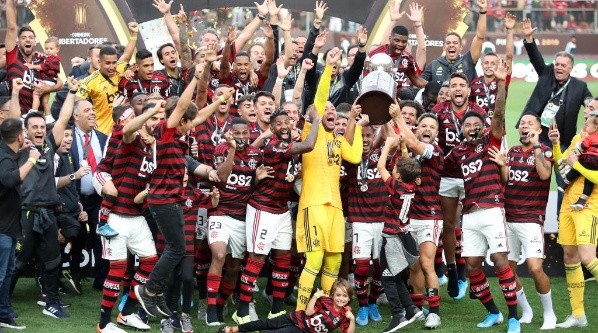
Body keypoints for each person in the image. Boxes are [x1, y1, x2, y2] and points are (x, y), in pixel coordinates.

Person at [135, 65, 234, 319]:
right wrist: (198, 76)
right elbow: (181, 107)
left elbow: (197, 116)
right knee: (177, 249)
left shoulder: (178, 136)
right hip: (163, 200)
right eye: (188, 124)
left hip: (173, 201)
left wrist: (220, 100)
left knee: (175, 249)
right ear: (180, 121)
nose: (192, 129)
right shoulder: (165, 132)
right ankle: (149, 290)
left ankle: (154, 293)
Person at [444, 60, 520, 333]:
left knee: (499, 261)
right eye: (468, 125)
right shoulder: (457, 153)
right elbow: (436, 167)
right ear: (462, 130)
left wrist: (501, 83)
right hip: (469, 214)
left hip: (491, 209)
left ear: (484, 127)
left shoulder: (492, 142)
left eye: (477, 123)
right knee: (474, 267)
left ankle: (513, 318)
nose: (473, 127)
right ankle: (494, 313)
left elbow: (498, 117)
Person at [295, 47, 366, 311]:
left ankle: (324, 308)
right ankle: (302, 312)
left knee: (335, 261)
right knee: (314, 262)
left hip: (335, 207)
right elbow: (321, 98)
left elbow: (355, 157)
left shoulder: (337, 140)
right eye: (327, 110)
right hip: (313, 205)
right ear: (315, 115)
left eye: (335, 109)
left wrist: (356, 126)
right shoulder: (310, 132)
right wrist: (329, 68)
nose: (331, 110)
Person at [235, 108, 320, 322]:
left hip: (281, 209)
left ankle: (277, 309)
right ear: (271, 128)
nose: (283, 126)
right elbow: (309, 145)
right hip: (262, 208)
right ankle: (242, 311)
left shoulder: (289, 146)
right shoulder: (274, 145)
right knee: (257, 258)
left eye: (286, 122)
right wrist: (316, 120)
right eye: (278, 124)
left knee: (283, 258)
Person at [10, 76, 79, 319]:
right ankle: (3, 304)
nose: (40, 130)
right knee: (16, 263)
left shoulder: (50, 145)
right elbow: (12, 120)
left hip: (48, 213)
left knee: (52, 261)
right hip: (26, 213)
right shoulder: (19, 148)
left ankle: (51, 302)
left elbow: (62, 119)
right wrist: (17, 93)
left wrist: (71, 92)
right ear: (25, 132)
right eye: (35, 127)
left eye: (41, 127)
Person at [497, 113, 557, 330]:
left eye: (529, 123)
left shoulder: (545, 151)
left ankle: (550, 314)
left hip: (531, 218)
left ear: (539, 129)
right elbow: (506, 180)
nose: (524, 126)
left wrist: (536, 147)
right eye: (522, 123)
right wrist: (503, 166)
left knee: (534, 268)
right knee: (507, 269)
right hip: (507, 217)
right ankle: (526, 310)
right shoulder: (512, 151)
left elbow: (543, 175)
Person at [391, 108, 444, 329]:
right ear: (417, 128)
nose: (427, 129)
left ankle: (434, 312)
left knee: (426, 263)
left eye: (432, 127)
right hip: (408, 216)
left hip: (429, 216)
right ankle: (417, 308)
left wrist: (397, 118)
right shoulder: (407, 153)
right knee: (413, 267)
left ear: (437, 133)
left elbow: (414, 145)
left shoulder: (435, 151)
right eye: (424, 126)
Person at [548, 97, 598, 328]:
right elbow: (561, 165)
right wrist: (556, 145)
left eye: (592, 109)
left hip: (589, 205)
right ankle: (578, 315)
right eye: (588, 108)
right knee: (570, 256)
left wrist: (576, 164)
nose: (587, 112)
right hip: (568, 203)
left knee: (588, 257)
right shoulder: (580, 137)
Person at [519, 18, 591, 149]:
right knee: (537, 169)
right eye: (557, 64)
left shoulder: (580, 87)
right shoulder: (546, 73)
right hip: (538, 137)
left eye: (563, 65)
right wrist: (529, 38)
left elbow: (591, 103)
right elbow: (535, 57)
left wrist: (591, 108)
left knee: (562, 170)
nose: (559, 68)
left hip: (564, 141)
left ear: (571, 68)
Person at [376, 139, 423, 333]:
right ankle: (411, 309)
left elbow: (380, 166)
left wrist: (387, 145)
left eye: (395, 168)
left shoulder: (396, 186)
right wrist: (403, 148)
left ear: (399, 176)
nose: (392, 169)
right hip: (405, 236)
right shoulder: (412, 184)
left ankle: (398, 315)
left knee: (387, 277)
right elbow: (408, 166)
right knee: (396, 277)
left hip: (392, 238)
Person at [0, 117, 39, 330]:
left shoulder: (9, 153)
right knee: (0, 275)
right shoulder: (4, 157)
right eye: (23, 132)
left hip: (9, 226)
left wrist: (25, 152)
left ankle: (4, 314)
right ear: (18, 136)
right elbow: (10, 179)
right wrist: (31, 159)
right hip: (2, 229)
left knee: (6, 273)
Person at [219, 278, 356, 333]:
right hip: (295, 318)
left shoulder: (346, 314)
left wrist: (352, 320)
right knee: (266, 324)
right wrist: (315, 296)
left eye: (344, 296)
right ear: (332, 295)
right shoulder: (326, 301)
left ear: (349, 298)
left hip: (303, 331)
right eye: (338, 295)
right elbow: (308, 313)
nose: (341, 298)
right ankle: (234, 329)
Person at [76, 23, 139, 135]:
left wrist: (134, 34)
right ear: (99, 62)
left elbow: (127, 55)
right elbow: (76, 102)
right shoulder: (89, 81)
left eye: (114, 62)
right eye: (108, 63)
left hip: (125, 128)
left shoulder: (120, 68)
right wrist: (88, 119)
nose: (112, 67)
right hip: (103, 131)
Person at [4, 0, 63, 114]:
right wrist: (10, 2)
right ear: (18, 42)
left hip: (37, 118)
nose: (27, 39)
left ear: (35, 42)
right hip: (18, 116)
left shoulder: (42, 60)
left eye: (31, 37)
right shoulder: (13, 57)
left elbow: (59, 83)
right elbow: (11, 28)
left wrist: (48, 88)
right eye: (23, 37)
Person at [422, 0, 487, 83]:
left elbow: (480, 37)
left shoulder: (468, 61)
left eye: (455, 43)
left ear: (460, 48)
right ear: (444, 47)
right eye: (448, 43)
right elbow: (420, 84)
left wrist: (483, 11)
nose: (451, 45)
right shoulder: (434, 65)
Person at [368, 1, 427, 94]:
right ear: (390, 39)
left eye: (404, 42)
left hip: (402, 99)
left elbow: (417, 79)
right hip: (380, 95)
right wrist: (393, 21)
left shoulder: (407, 57)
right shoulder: (377, 54)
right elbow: (383, 43)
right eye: (397, 41)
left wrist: (435, 86)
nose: (400, 44)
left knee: (407, 94)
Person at [560, 114, 598, 210]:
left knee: (575, 170)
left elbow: (581, 148)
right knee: (589, 183)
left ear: (595, 128)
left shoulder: (589, 137)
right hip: (596, 165)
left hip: (587, 160)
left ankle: (564, 184)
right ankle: (581, 201)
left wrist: (573, 160)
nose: (585, 125)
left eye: (587, 125)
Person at [24, 36, 61, 118]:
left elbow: (44, 66)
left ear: (57, 49)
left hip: (47, 81)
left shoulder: (54, 60)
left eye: (51, 49)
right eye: (46, 48)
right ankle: (48, 117)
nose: (48, 51)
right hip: (49, 81)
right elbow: (44, 58)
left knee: (36, 94)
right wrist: (37, 54)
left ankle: (33, 112)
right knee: (45, 101)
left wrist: (32, 66)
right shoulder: (49, 58)